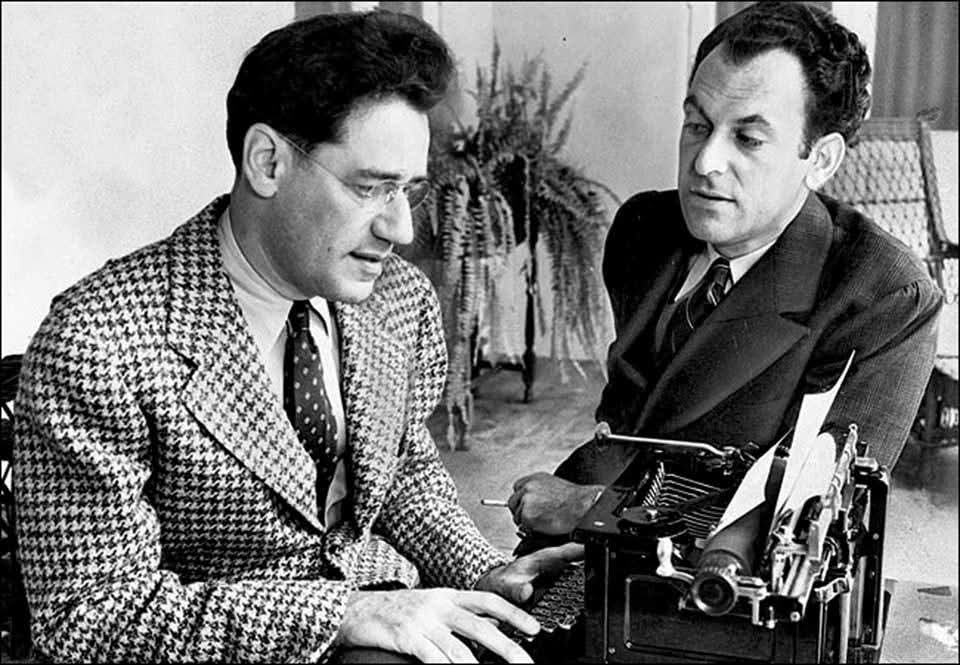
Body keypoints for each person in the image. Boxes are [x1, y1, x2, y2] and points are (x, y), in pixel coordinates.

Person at [14, 10, 582, 663]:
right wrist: (342, 613)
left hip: (380, 619)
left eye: (409, 192)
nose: (400, 229)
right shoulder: (99, 340)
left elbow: (400, 472)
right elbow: (87, 618)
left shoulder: (399, 301)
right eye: (371, 188)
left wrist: (481, 571)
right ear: (268, 161)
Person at [508, 1, 942, 548]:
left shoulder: (884, 293)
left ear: (822, 159)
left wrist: (591, 507)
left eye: (748, 139)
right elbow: (628, 424)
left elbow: (817, 521)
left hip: (711, 577)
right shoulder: (642, 229)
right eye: (698, 125)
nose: (705, 162)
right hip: (574, 540)